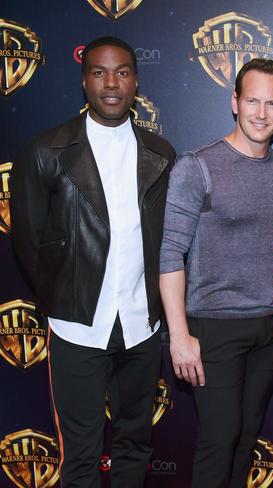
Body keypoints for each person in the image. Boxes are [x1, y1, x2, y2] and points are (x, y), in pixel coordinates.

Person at [10, 37, 176, 487]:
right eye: (100, 72)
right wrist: (63, 296)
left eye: (121, 72)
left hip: (142, 325)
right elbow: (28, 242)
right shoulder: (45, 151)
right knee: (80, 454)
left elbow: (166, 242)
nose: (111, 83)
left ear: (136, 82)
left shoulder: (160, 154)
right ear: (84, 80)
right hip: (78, 326)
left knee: (135, 444)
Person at [159, 58, 273, 488]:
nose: (261, 112)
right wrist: (180, 336)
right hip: (213, 327)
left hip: (270, 327)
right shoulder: (196, 165)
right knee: (218, 440)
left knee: (245, 438)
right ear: (234, 102)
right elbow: (169, 254)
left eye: (271, 103)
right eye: (252, 100)